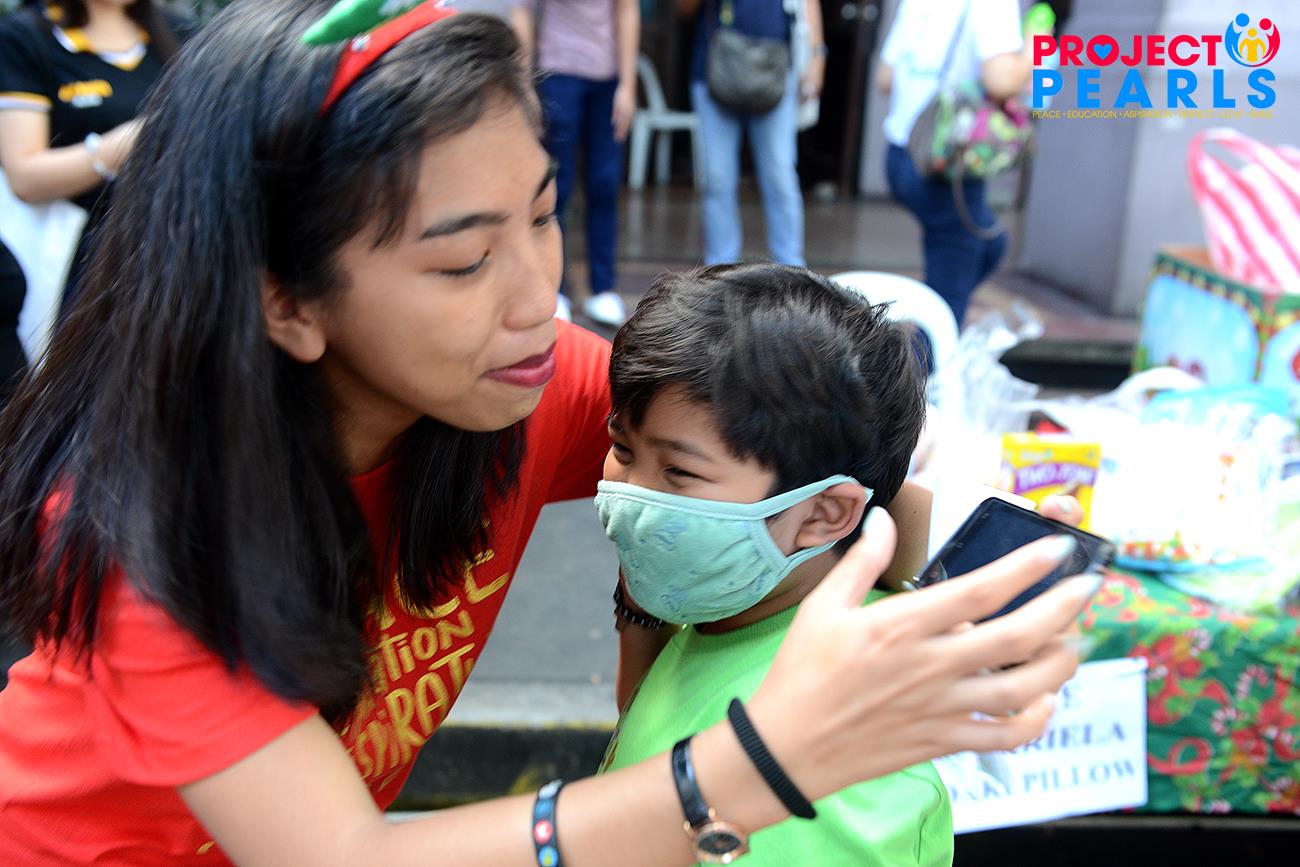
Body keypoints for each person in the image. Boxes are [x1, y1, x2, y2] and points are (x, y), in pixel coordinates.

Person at [0, 2, 1095, 864]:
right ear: (286, 299)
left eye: (542, 214)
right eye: (464, 261)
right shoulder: (152, 531)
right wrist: (764, 759)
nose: (537, 299)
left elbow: (801, 464)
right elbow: (343, 854)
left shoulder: (519, 383)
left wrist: (997, 591)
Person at [597, 263, 954, 865]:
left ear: (824, 513)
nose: (633, 495)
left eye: (679, 472)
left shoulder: (827, 765)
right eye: (622, 449)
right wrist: (640, 609)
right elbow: (656, 722)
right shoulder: (738, 606)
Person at [0, 0, 182, 314]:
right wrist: (122, 145)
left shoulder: (178, 32)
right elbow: (25, 176)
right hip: (76, 263)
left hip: (172, 248)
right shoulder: (25, 38)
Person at [876, 0, 1037, 326]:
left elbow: (885, 78)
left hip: (901, 154)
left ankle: (923, 319)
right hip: (945, 166)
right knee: (945, 309)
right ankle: (921, 348)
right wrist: (1036, 43)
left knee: (990, 244)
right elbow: (1001, 80)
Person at [509, 0, 638, 327]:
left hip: (607, 80)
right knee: (557, 188)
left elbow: (627, 9)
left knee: (605, 184)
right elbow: (521, 11)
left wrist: (627, 86)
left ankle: (603, 288)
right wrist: (525, 85)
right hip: (558, 75)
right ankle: (554, 288)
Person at [679, 0, 824, 267]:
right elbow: (684, 9)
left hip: (775, 68)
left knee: (780, 175)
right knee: (717, 177)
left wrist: (816, 55)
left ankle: (792, 270)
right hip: (716, 67)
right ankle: (720, 271)